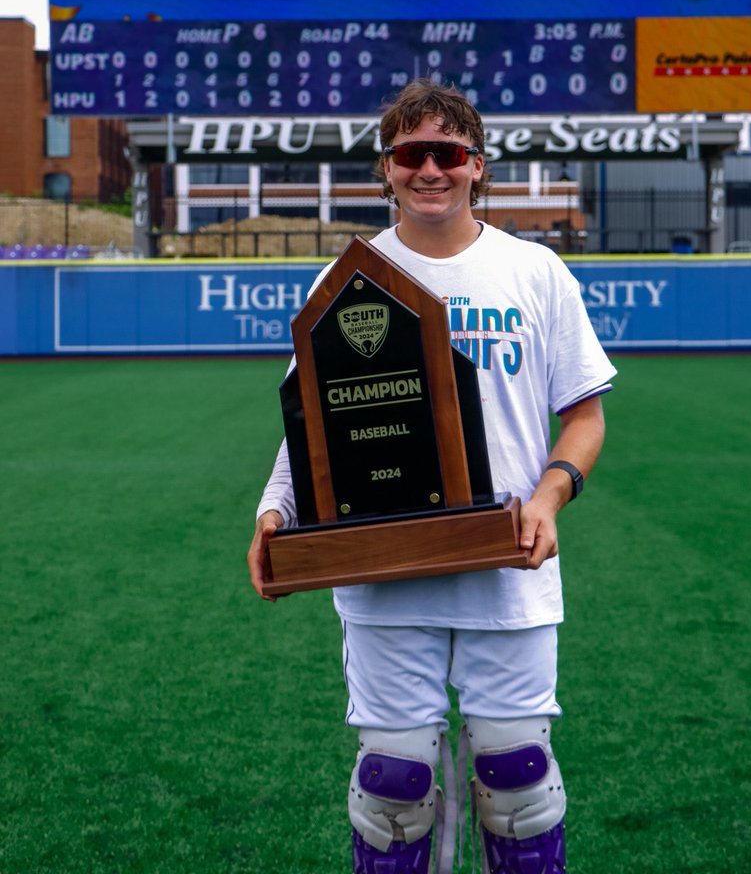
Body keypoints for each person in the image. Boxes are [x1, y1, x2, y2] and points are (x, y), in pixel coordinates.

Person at [248, 80, 616, 874]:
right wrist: (274, 510)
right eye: (410, 154)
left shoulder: (535, 271)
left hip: (506, 570)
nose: (429, 171)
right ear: (386, 170)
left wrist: (550, 497)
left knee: (518, 785)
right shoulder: (344, 281)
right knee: (392, 790)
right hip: (384, 570)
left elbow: (585, 417)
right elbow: (313, 421)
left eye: (446, 154)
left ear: (477, 166)